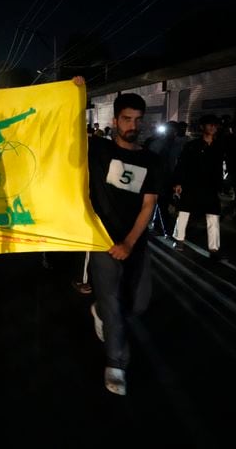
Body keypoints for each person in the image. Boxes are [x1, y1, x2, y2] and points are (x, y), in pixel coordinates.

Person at [86, 90, 163, 395]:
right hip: (101, 240)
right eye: (127, 119)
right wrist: (78, 93)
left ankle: (100, 312)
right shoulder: (97, 150)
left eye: (138, 120)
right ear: (115, 120)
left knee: (139, 303)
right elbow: (60, 133)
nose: (133, 125)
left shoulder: (151, 160)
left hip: (135, 243)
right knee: (113, 304)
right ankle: (116, 363)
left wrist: (130, 242)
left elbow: (149, 205)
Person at [171, 114, 226, 260]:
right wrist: (178, 182)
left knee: (213, 217)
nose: (213, 127)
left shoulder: (219, 146)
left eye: (215, 125)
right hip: (192, 185)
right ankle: (179, 240)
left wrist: (221, 184)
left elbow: (221, 167)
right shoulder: (192, 145)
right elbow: (182, 164)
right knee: (184, 213)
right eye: (210, 124)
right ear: (202, 127)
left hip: (210, 187)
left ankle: (214, 248)